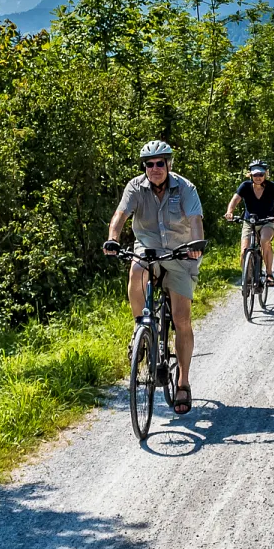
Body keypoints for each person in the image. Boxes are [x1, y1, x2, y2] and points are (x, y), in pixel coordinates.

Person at [104, 140, 205, 415]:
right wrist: (113, 239)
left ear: (169, 165)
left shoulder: (185, 188)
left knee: (182, 319)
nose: (155, 168)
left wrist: (196, 244)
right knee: (136, 269)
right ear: (144, 167)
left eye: (160, 163)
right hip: (147, 249)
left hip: (180, 253)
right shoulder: (135, 187)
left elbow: (196, 221)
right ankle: (141, 329)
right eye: (150, 164)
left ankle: (183, 383)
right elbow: (120, 215)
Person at [224, 160, 274, 286]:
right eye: (255, 175)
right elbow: (235, 199)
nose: (258, 177)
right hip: (249, 221)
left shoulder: (271, 186)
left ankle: (269, 274)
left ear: (265, 175)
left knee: (264, 240)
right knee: (244, 251)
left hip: (267, 221)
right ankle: (249, 277)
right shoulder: (245, 186)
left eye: (261, 175)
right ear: (250, 175)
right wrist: (230, 212)